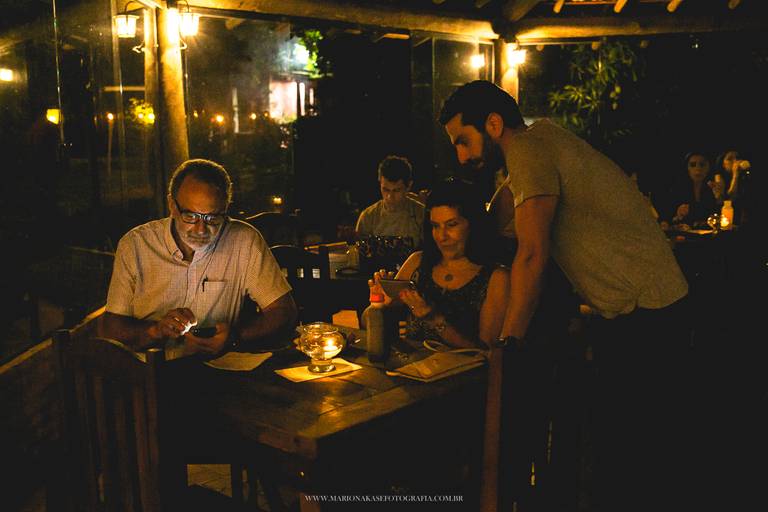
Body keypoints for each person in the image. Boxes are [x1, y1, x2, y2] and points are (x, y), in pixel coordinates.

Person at [439, 80, 694, 511]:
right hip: (643, 308)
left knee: (635, 457)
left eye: (463, 141)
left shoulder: (527, 150)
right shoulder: (539, 144)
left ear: (494, 124)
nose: (461, 156)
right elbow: (501, 219)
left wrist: (508, 341)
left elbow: (532, 253)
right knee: (632, 453)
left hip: (649, 312)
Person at [102, 158, 297, 356]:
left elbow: (285, 313)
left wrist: (236, 337)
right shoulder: (136, 245)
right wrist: (156, 330)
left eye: (213, 218)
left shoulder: (244, 241)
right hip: (149, 373)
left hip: (217, 371)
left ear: (225, 209)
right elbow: (111, 329)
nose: (201, 229)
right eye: (191, 216)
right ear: (172, 205)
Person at [368, 178, 509, 349]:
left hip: (463, 373)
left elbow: (486, 352)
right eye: (435, 226)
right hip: (413, 369)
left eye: (451, 225)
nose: (442, 236)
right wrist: (378, 304)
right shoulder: (418, 262)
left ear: (473, 224)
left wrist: (434, 319)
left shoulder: (495, 277)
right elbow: (368, 323)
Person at [355, 155, 425, 248]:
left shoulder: (421, 214)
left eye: (396, 190)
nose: (389, 197)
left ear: (409, 186)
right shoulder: (368, 217)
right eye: (385, 189)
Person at [660, 151, 720, 229]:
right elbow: (668, 214)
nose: (698, 168)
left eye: (702, 165)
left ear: (708, 168)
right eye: (693, 165)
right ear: (688, 168)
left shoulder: (712, 187)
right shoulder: (678, 188)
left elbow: (714, 214)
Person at [713, 147, 753, 225]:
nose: (735, 161)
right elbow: (730, 200)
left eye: (737, 158)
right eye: (730, 159)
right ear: (723, 164)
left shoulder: (745, 176)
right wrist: (735, 176)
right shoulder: (719, 177)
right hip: (726, 220)